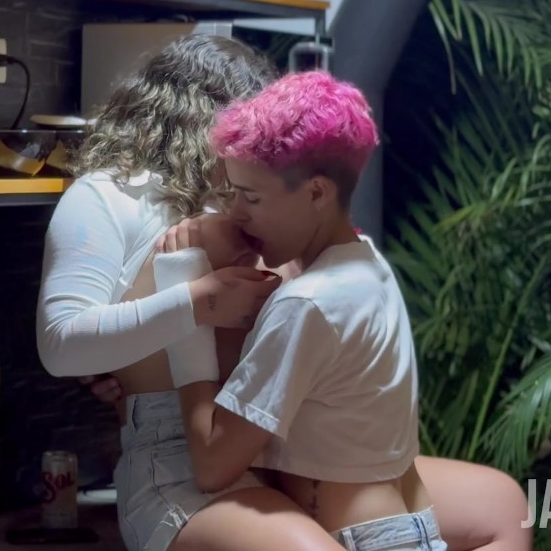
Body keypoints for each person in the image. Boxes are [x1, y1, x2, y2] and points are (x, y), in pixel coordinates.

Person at [37, 34, 531, 551]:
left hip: (286, 437)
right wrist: (193, 305)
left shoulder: (276, 201)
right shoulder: (110, 196)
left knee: (503, 507)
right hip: (185, 452)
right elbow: (63, 344)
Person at [156, 71, 441, 550]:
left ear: (316, 193)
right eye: (232, 194)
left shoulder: (307, 304)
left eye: (251, 197)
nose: (236, 212)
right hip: (409, 528)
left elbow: (212, 465)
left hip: (363, 540)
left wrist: (186, 314)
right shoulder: (367, 266)